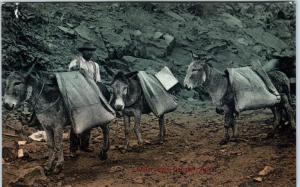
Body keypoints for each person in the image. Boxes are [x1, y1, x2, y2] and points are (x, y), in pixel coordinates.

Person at [68, 42, 100, 158]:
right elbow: (69, 80)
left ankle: (84, 145)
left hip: (90, 96)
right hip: (77, 95)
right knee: (76, 122)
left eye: (92, 51)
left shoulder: (95, 66)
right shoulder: (75, 63)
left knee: (89, 122)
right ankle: (73, 149)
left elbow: (97, 82)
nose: (90, 53)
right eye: (88, 50)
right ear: (82, 51)